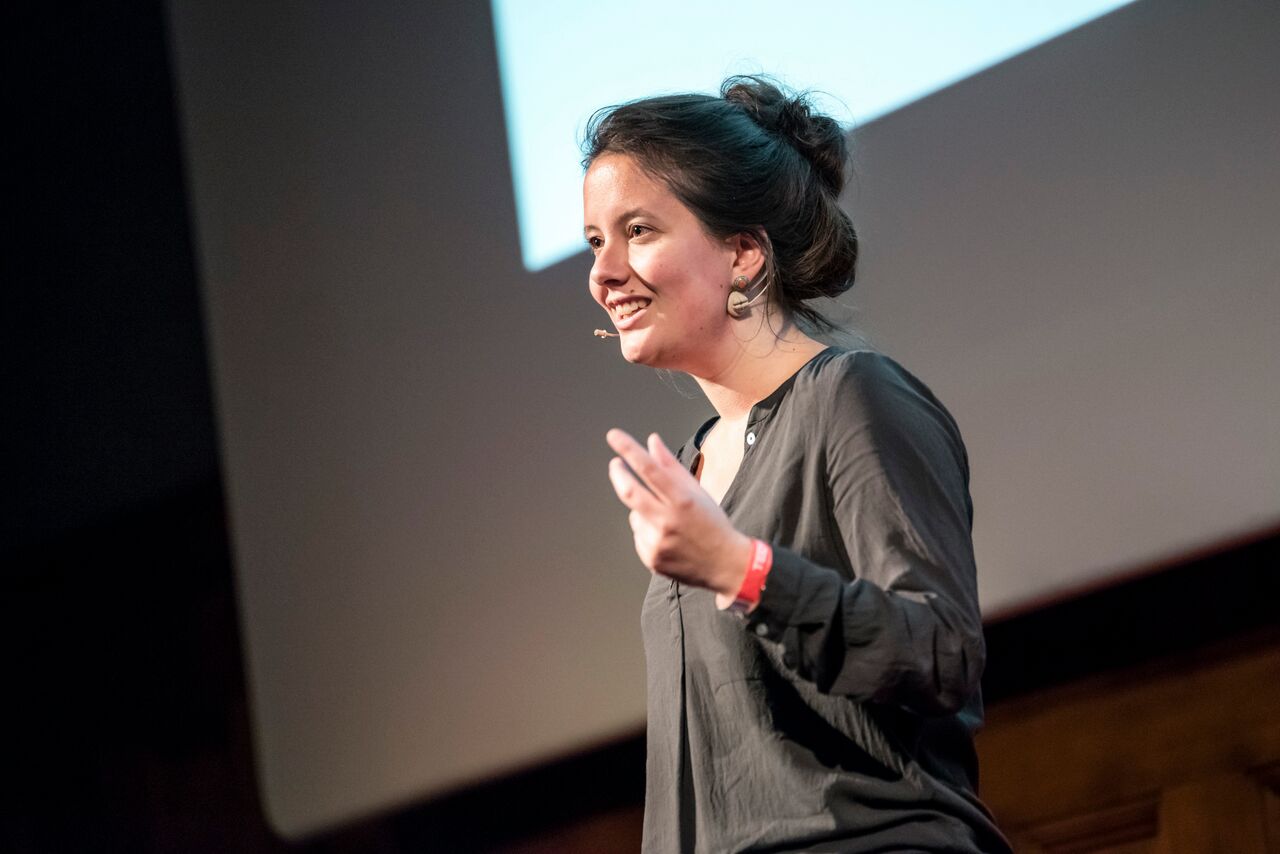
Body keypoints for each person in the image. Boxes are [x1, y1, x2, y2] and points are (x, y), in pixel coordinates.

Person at [582, 76, 1012, 853]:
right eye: (593, 242)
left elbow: (940, 651)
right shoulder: (696, 460)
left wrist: (743, 569)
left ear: (743, 254)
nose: (603, 274)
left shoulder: (854, 396)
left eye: (637, 231)